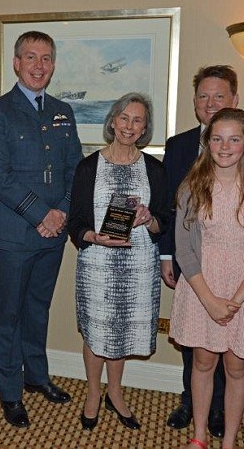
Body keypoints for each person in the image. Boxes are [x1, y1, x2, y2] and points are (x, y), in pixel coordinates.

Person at [161, 65, 244, 436]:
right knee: (201, 361)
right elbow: (184, 246)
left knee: (236, 367)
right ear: (207, 142)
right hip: (202, 286)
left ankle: (228, 439)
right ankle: (199, 435)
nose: (225, 147)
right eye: (217, 139)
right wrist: (210, 299)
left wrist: (236, 299)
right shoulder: (191, 187)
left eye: (234, 140)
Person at [0, 31, 84, 428]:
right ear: (16, 63)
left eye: (45, 58)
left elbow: (75, 168)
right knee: (7, 312)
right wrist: (42, 214)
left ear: (53, 65)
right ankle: (10, 391)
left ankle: (37, 377)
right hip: (14, 233)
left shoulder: (63, 110)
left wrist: (59, 212)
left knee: (38, 308)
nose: (38, 66)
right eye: (30, 57)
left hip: (53, 233)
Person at [68, 93, 172, 431]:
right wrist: (94, 236)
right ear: (112, 121)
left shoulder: (154, 169)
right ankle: (94, 394)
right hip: (97, 263)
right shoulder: (89, 166)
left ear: (145, 128)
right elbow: (76, 221)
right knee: (97, 330)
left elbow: (163, 222)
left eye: (138, 120)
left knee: (124, 330)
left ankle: (116, 393)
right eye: (124, 118)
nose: (129, 126)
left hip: (139, 264)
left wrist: (148, 218)